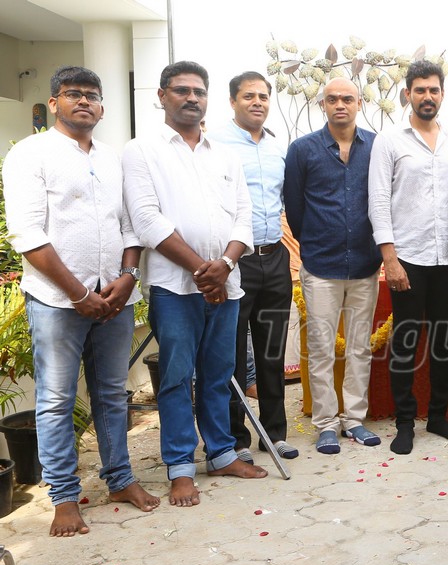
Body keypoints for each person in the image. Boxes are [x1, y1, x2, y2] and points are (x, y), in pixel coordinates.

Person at [2, 66, 160, 536]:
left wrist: (128, 277)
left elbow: (129, 225)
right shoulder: (30, 154)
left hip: (114, 298)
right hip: (56, 301)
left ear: (102, 107)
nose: (85, 101)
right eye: (74, 94)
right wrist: (78, 294)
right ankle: (65, 497)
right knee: (56, 400)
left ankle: (120, 480)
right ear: (54, 103)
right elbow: (27, 234)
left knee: (112, 393)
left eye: (92, 95)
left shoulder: (111, 159)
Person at [123, 61, 268, 507]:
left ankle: (221, 453)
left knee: (219, 375)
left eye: (198, 91)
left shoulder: (224, 154)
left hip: (227, 284)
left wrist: (224, 264)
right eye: (181, 90)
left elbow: (243, 215)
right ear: (162, 96)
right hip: (174, 288)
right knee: (176, 378)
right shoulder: (141, 151)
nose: (191, 98)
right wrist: (203, 272)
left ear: (207, 99)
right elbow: (146, 219)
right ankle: (181, 468)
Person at [368, 61, 448, 454]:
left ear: (442, 94)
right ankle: (405, 422)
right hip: (407, 258)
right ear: (407, 93)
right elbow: (378, 200)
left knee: (443, 342)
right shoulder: (390, 140)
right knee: (406, 342)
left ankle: (438, 417)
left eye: (434, 90)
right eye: (420, 90)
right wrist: (389, 258)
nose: (428, 96)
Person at [283, 77, 381, 453]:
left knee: (359, 348)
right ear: (322, 104)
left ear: (359, 103)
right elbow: (295, 207)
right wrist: (314, 242)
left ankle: (354, 419)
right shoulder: (302, 149)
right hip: (321, 265)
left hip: (365, 265)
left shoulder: (376, 146)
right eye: (332, 99)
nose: (340, 105)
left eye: (347, 99)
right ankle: (325, 423)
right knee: (322, 347)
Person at [208, 72, 297, 462]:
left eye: (263, 96)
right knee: (231, 352)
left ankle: (274, 434)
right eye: (248, 96)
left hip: (274, 257)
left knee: (272, 350)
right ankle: (236, 439)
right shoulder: (215, 145)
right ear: (232, 101)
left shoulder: (278, 148)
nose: (257, 102)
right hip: (234, 261)